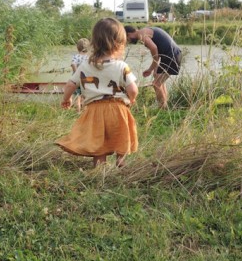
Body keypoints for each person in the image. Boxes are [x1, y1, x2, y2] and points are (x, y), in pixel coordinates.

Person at [56, 18, 139, 168]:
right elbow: (133, 89)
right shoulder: (121, 66)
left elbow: (70, 84)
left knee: (98, 142)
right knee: (121, 136)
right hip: (118, 108)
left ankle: (99, 169)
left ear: (94, 42)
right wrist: (131, 99)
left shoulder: (85, 65)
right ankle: (121, 161)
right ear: (119, 43)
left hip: (94, 110)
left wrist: (66, 99)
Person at [124, 25, 181, 109]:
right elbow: (160, 47)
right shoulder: (145, 31)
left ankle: (163, 109)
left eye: (127, 39)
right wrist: (155, 68)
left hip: (172, 56)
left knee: (156, 84)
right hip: (169, 55)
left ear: (128, 34)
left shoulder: (141, 35)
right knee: (157, 78)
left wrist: (150, 68)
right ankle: (165, 105)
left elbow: (154, 48)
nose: (128, 41)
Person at [70, 38, 90, 112]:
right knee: (85, 95)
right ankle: (85, 112)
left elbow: (73, 64)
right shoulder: (89, 57)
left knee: (77, 96)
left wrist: (76, 73)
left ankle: (78, 111)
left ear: (78, 47)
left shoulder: (76, 56)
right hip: (87, 79)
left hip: (76, 79)